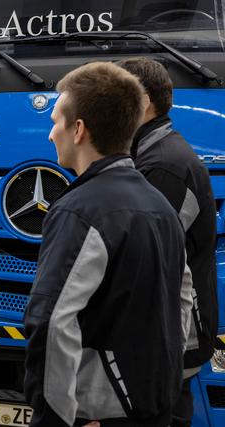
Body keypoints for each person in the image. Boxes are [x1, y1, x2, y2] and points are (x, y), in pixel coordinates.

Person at [23, 62, 193, 427]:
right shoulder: (160, 205)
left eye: (55, 121)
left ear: (79, 129)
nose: (52, 134)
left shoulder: (79, 210)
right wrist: (156, 382)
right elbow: (182, 297)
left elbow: (51, 322)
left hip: (97, 413)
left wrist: (56, 419)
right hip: (155, 404)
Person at [118, 57, 218, 427]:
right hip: (164, 333)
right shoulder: (153, 155)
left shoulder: (164, 167)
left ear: (142, 101)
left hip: (170, 336)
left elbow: (142, 262)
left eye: (115, 96)